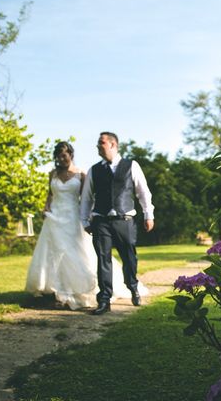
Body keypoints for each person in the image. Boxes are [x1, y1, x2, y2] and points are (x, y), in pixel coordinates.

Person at [25, 141, 147, 310]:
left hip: (73, 217)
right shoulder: (52, 173)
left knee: (78, 251)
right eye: (58, 156)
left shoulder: (81, 173)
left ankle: (121, 287)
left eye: (64, 155)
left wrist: (88, 218)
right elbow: (50, 195)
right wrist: (46, 208)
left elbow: (87, 198)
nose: (61, 159)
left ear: (70, 155)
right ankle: (57, 289)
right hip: (55, 217)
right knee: (54, 253)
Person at [80, 131, 155, 315]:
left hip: (124, 219)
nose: (98, 146)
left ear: (113, 144)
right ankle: (104, 299)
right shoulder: (94, 170)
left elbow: (143, 192)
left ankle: (133, 287)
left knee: (129, 257)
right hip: (101, 221)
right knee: (103, 260)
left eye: (101, 143)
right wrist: (84, 220)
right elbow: (87, 197)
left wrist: (148, 214)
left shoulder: (131, 166)